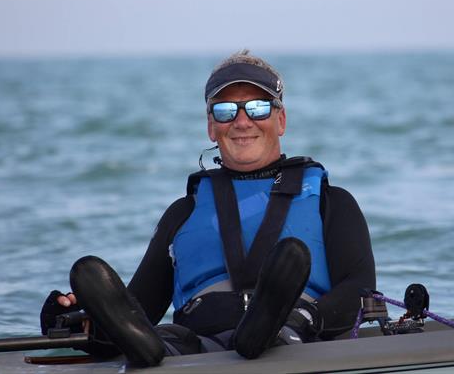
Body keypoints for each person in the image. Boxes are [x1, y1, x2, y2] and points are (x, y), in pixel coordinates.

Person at [40, 50, 376, 367]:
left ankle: (266, 327)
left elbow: (359, 290)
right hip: (200, 347)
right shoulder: (182, 214)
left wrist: (308, 318)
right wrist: (79, 321)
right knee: (161, 338)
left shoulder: (333, 203)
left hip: (294, 339)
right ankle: (149, 353)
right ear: (211, 126)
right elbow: (135, 309)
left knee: (282, 316)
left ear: (281, 119)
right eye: (226, 110)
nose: (242, 121)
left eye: (257, 108)